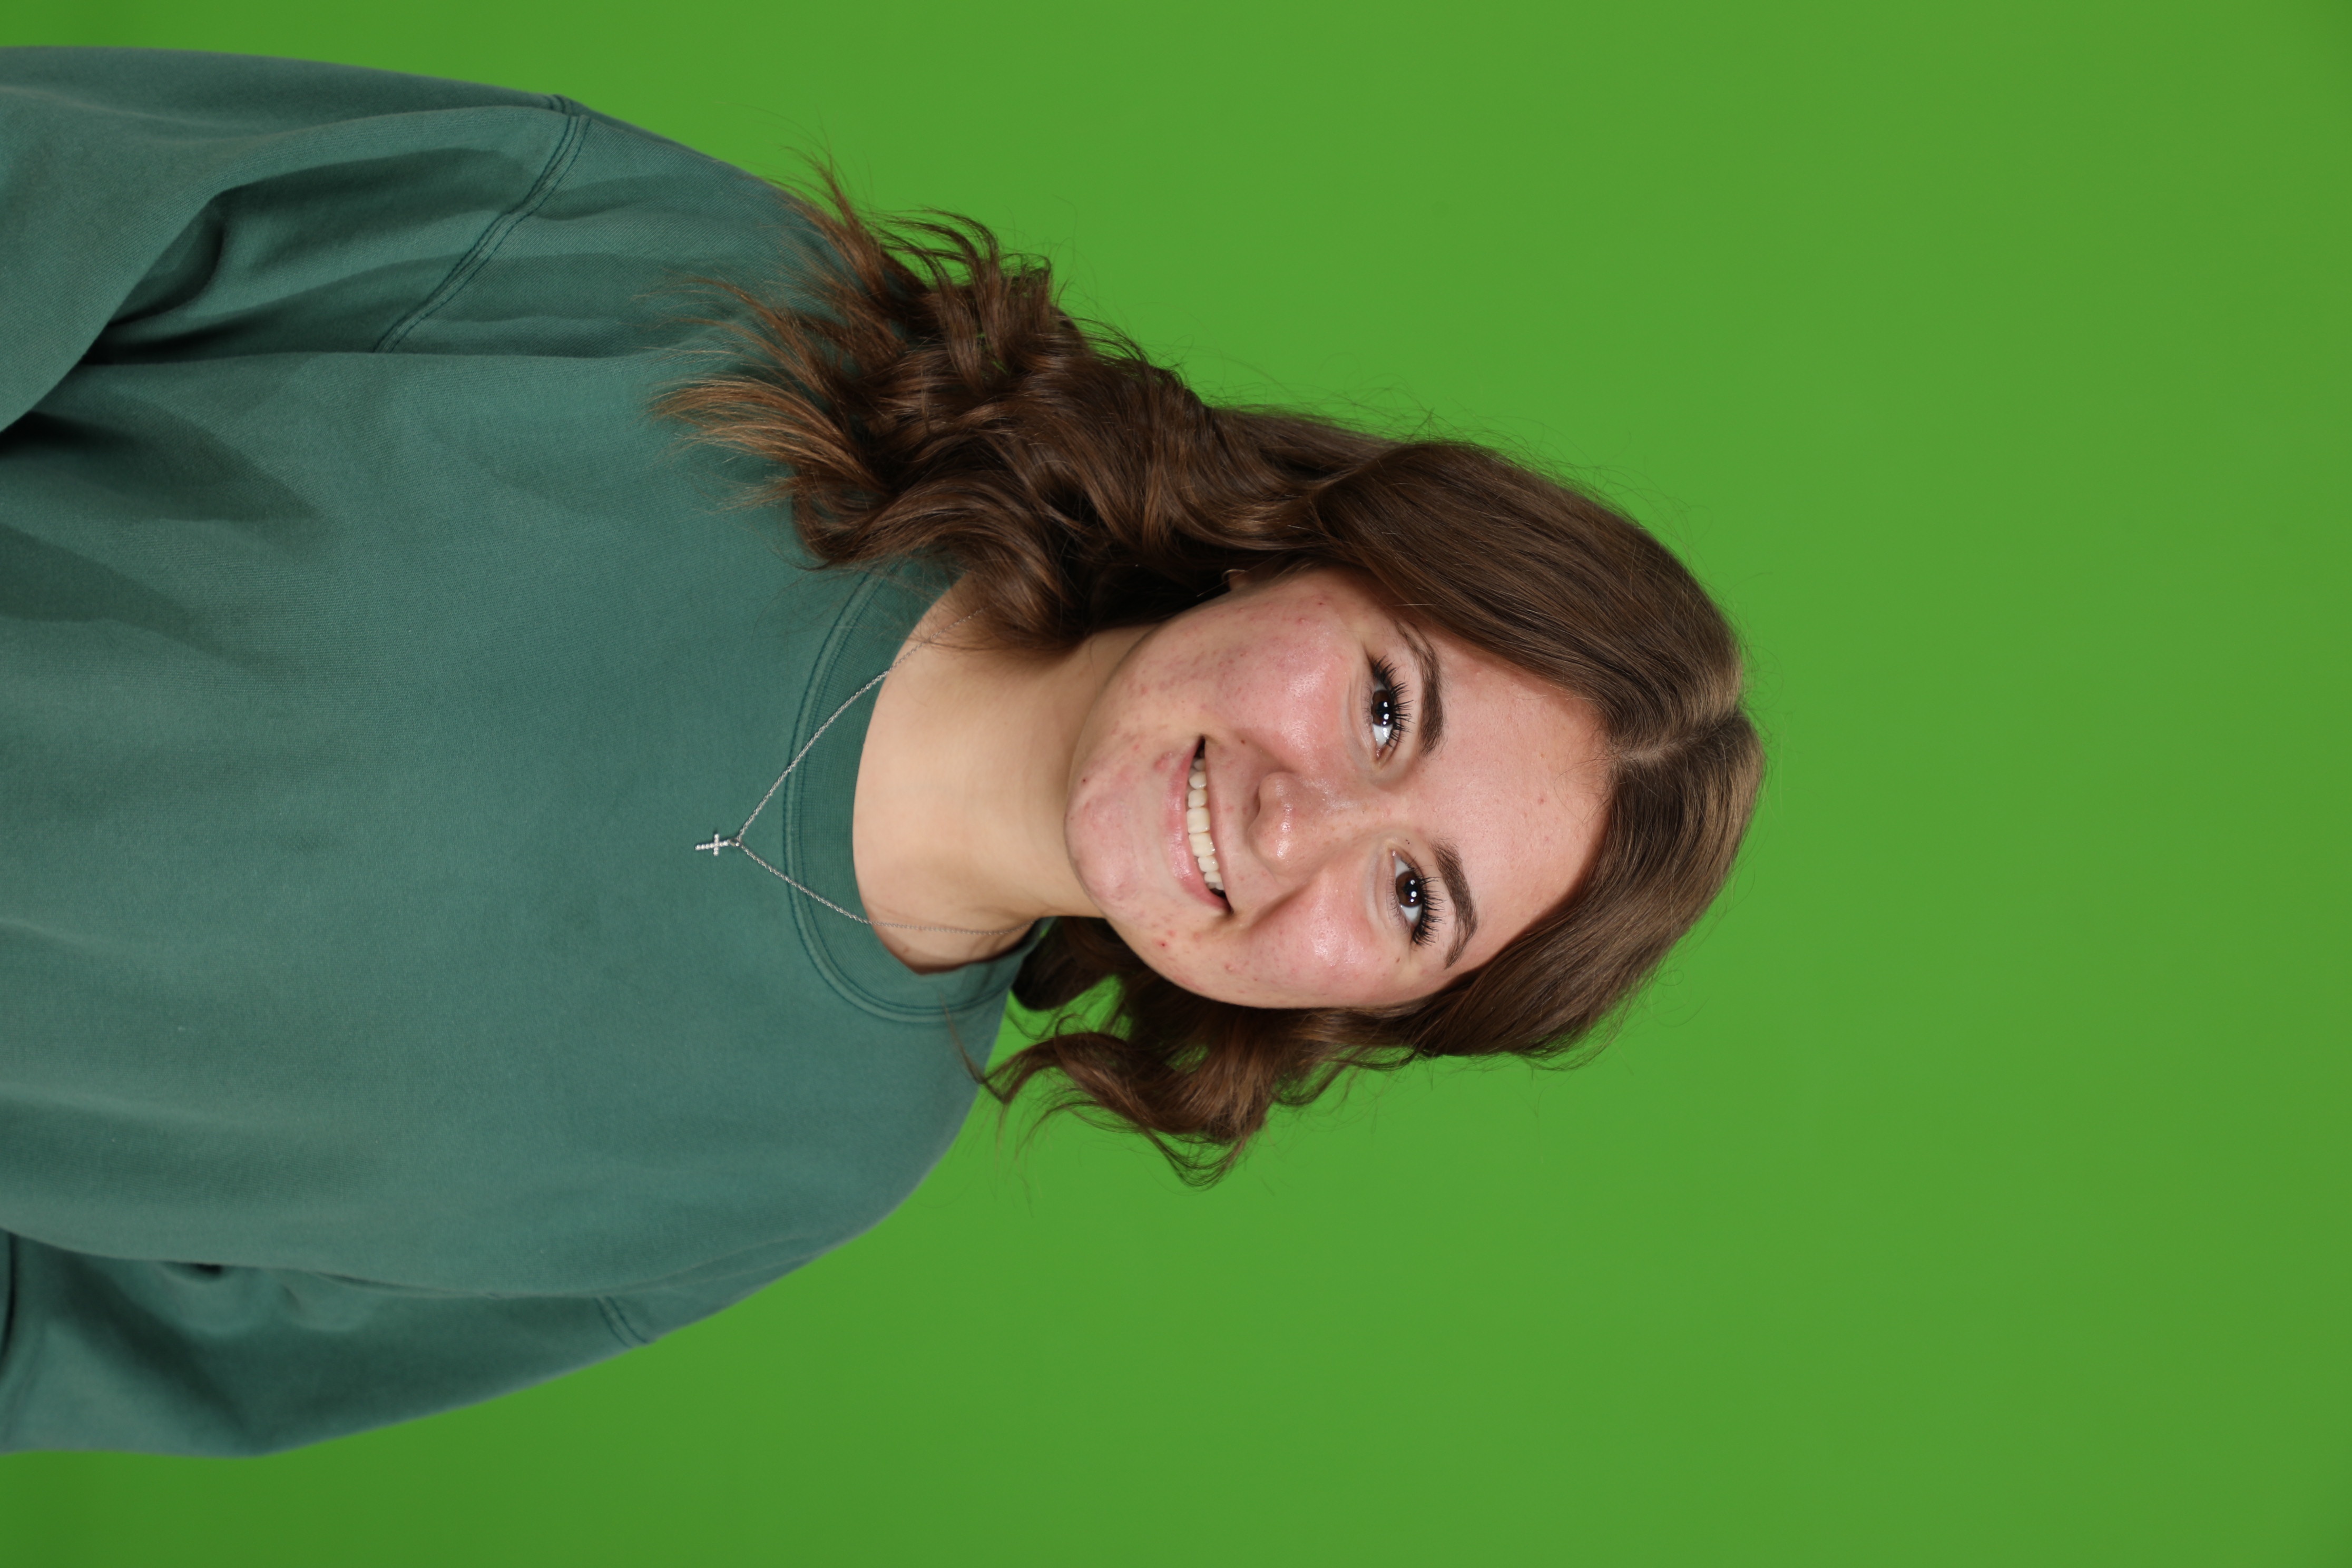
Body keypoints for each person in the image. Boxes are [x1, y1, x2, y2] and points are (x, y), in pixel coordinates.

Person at [0, 47, 1762, 1456]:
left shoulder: (804, 1169)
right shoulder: (727, 316)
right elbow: (60, 196)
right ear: (1314, 546)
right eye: (1386, 706)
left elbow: (108, 1344)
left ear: (1360, 1011)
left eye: (1413, 898)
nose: (1304, 820)